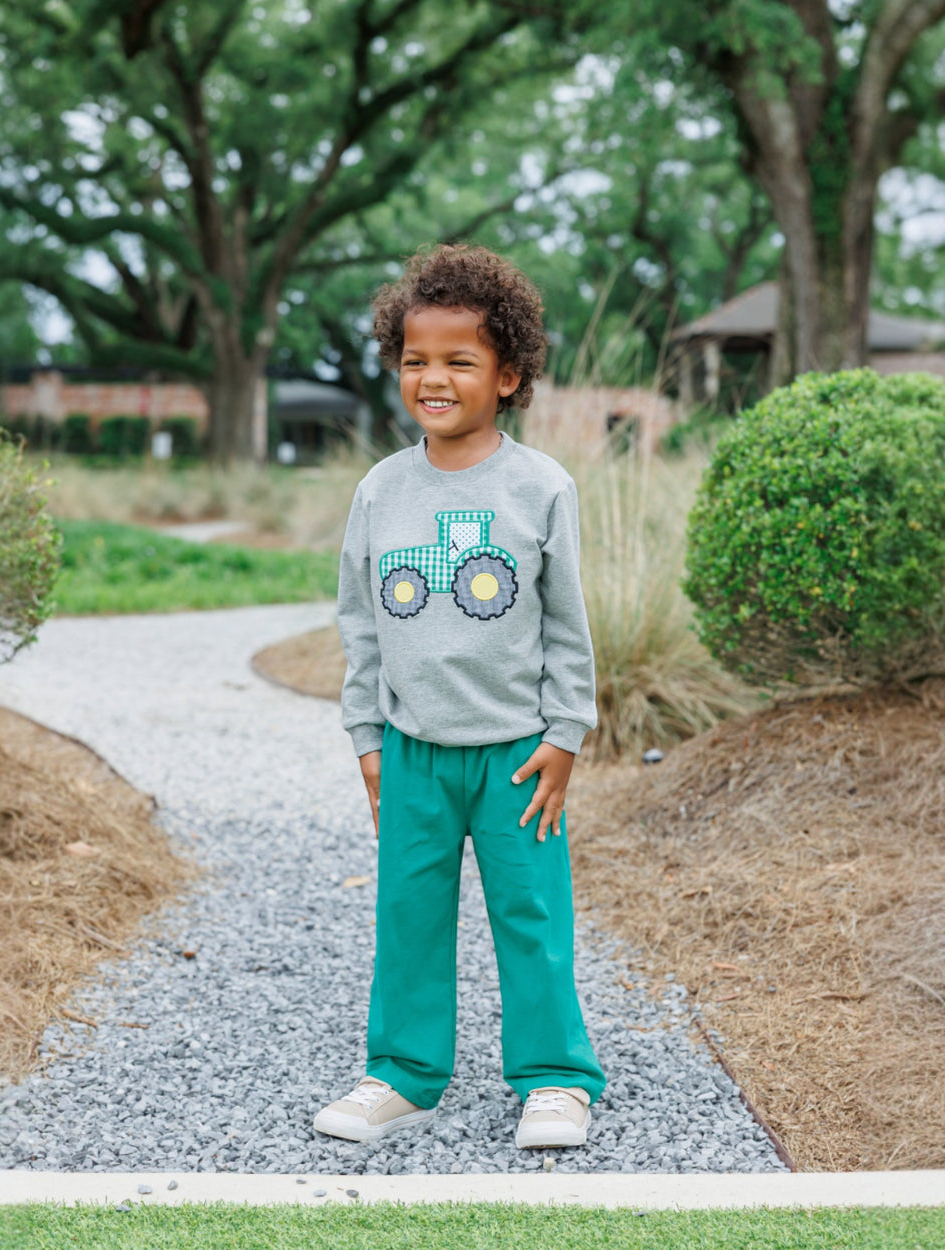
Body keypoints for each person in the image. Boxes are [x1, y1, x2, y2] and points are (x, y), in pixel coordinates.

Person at [315, 244, 605, 1150]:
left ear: (509, 374)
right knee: (407, 914)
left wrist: (566, 732)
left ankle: (556, 1077)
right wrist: (366, 734)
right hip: (412, 753)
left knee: (531, 915)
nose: (432, 378)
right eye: (415, 360)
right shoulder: (380, 490)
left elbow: (567, 624)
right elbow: (359, 622)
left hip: (518, 752)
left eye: (458, 361)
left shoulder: (539, 487)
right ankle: (402, 1074)